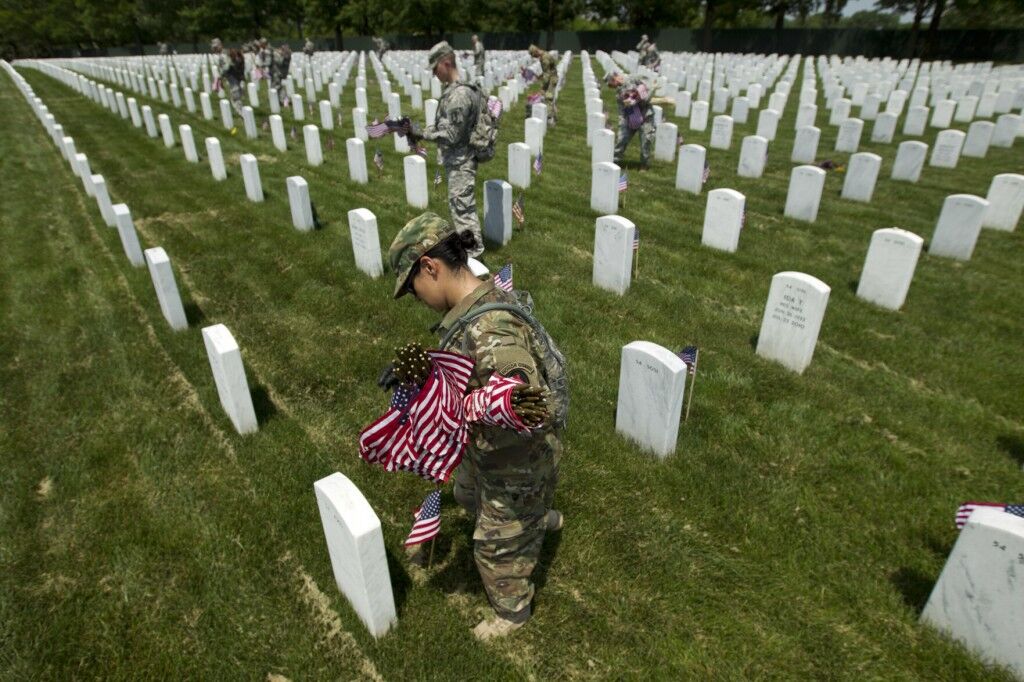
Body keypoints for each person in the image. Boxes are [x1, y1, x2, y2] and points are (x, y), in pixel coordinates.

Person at [388, 212, 564, 640]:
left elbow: (527, 405)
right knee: (466, 492)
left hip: (521, 455)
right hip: (490, 443)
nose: (417, 299)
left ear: (431, 267)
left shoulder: (490, 329)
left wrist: (453, 407)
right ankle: (537, 516)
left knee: (491, 546)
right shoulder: (475, 306)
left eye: (414, 289)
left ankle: (512, 611)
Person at [417, 41, 484, 257]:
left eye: (435, 68)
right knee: (461, 209)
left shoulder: (459, 95)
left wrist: (423, 134)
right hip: (459, 160)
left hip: (461, 162)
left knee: (464, 213)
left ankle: (475, 260)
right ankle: (471, 258)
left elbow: (453, 135)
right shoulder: (457, 91)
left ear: (446, 62)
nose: (435, 74)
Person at [606, 71, 655, 170]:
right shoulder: (619, 94)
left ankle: (644, 165)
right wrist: (622, 125)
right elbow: (621, 111)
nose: (613, 88)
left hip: (646, 115)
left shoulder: (635, 78)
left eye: (612, 85)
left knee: (645, 140)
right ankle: (614, 161)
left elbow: (650, 85)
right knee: (622, 138)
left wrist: (641, 97)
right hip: (631, 117)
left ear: (616, 78)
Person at [527, 44, 558, 125]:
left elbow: (547, 74)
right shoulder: (543, 55)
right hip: (550, 76)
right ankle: (551, 113)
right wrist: (539, 76)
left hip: (552, 78)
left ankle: (550, 118)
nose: (534, 57)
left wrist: (543, 86)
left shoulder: (544, 58)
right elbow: (546, 71)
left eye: (534, 55)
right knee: (545, 96)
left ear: (536, 51)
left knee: (548, 96)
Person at [223, 48, 246, 115]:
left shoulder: (234, 62)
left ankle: (241, 112)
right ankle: (240, 111)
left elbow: (226, 70)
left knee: (235, 97)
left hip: (235, 81)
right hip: (240, 79)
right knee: (237, 96)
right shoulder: (241, 59)